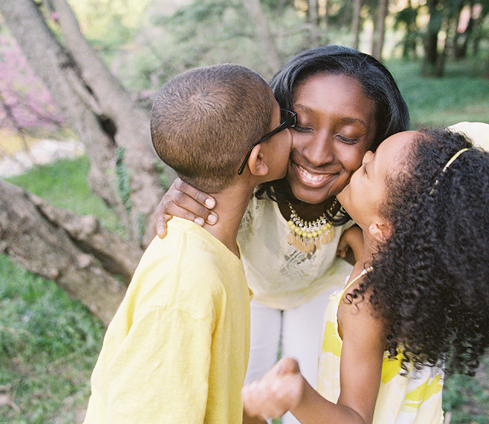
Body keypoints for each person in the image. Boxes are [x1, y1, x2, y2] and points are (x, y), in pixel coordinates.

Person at [153, 46, 409, 423]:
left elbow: (380, 246)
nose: (319, 154)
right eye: (301, 125)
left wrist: (356, 241)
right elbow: (175, 235)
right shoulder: (244, 181)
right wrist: (174, 201)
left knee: (314, 394)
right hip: (250, 294)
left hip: (316, 294)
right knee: (240, 394)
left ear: (374, 147)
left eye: (349, 136)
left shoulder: (365, 197)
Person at [241, 123, 489, 424]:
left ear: (383, 228)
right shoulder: (412, 276)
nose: (363, 158)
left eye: (367, 171)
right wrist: (352, 238)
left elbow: (355, 418)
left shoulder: (364, 306)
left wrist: (298, 395)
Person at [82, 63, 293, 424]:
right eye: (285, 121)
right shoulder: (185, 286)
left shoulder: (215, 249)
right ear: (258, 160)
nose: (296, 132)